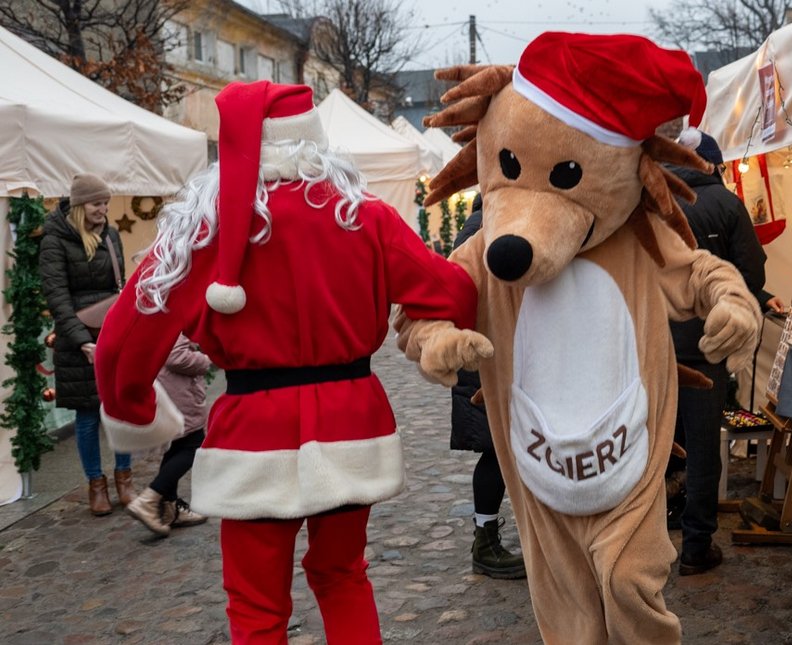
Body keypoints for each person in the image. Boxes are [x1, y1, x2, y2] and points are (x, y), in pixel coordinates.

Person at [93, 81, 486, 644]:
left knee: (255, 606)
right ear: (314, 143)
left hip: (253, 430)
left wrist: (133, 409)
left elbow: (124, 338)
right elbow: (450, 291)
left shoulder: (203, 227)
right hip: (353, 420)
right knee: (344, 575)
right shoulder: (365, 216)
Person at [666, 129, 770, 575]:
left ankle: (648, 536)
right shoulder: (728, 205)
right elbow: (751, 274)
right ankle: (695, 545)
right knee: (705, 447)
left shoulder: (654, 202)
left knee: (654, 443)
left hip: (655, 344)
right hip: (709, 347)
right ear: (712, 163)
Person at [39, 173, 134, 516]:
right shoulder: (54, 241)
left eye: (106, 203)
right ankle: (97, 484)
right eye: (97, 203)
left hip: (111, 334)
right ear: (80, 205)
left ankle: (125, 477)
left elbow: (118, 289)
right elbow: (57, 297)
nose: (104, 209)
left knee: (119, 408)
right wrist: (81, 341)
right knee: (88, 414)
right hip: (76, 340)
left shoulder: (111, 235)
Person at [451, 195, 526, 579]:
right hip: (485, 359)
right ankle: (485, 542)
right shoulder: (483, 229)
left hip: (486, 357)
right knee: (496, 451)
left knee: (500, 450)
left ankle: (491, 537)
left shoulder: (478, 223)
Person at [126, 333, 210, 537]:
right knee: (194, 445)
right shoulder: (171, 308)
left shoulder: (149, 305)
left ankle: (171, 509)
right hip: (177, 391)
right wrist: (206, 359)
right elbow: (176, 356)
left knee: (178, 447)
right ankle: (148, 499)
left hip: (166, 388)